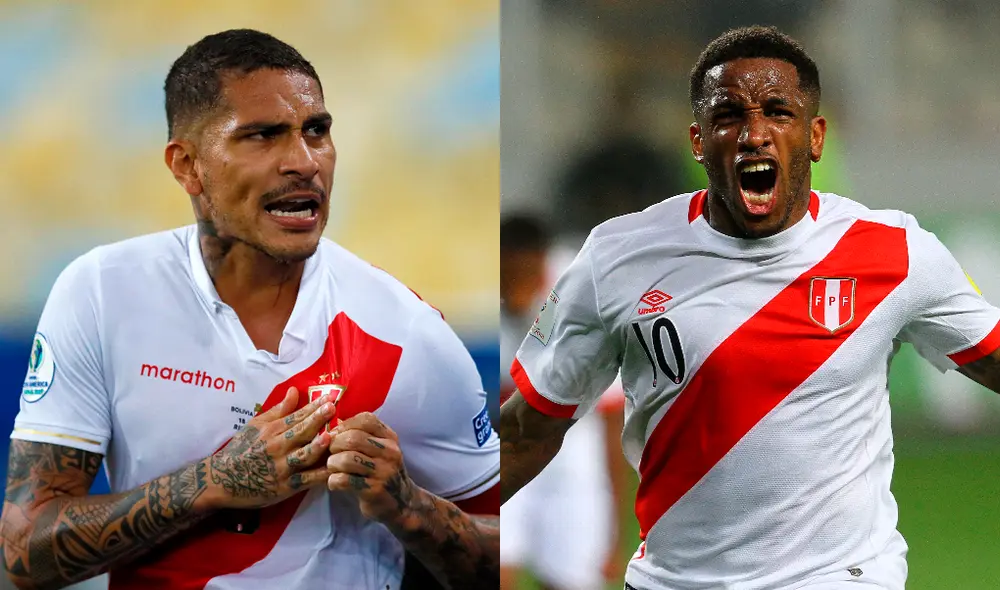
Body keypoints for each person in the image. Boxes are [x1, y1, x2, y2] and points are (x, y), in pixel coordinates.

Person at [499, 25, 1000, 590]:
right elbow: (528, 430)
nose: (753, 134)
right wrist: (431, 512)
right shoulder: (618, 257)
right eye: (728, 115)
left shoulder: (895, 252)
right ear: (697, 140)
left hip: (841, 577)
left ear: (815, 137)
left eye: (778, 112)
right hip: (675, 580)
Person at [1, 29, 499, 590]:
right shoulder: (101, 292)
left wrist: (410, 508)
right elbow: (23, 554)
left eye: (317, 130)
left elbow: (505, 550)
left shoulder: (407, 335)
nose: (304, 161)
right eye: (263, 136)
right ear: (187, 166)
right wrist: (211, 483)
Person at [499, 215, 627, 590]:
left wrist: (614, 526)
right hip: (500, 443)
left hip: (571, 454)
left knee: (571, 579)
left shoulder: (585, 295)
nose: (516, 289)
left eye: (524, 276)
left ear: (541, 263)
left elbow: (610, 415)